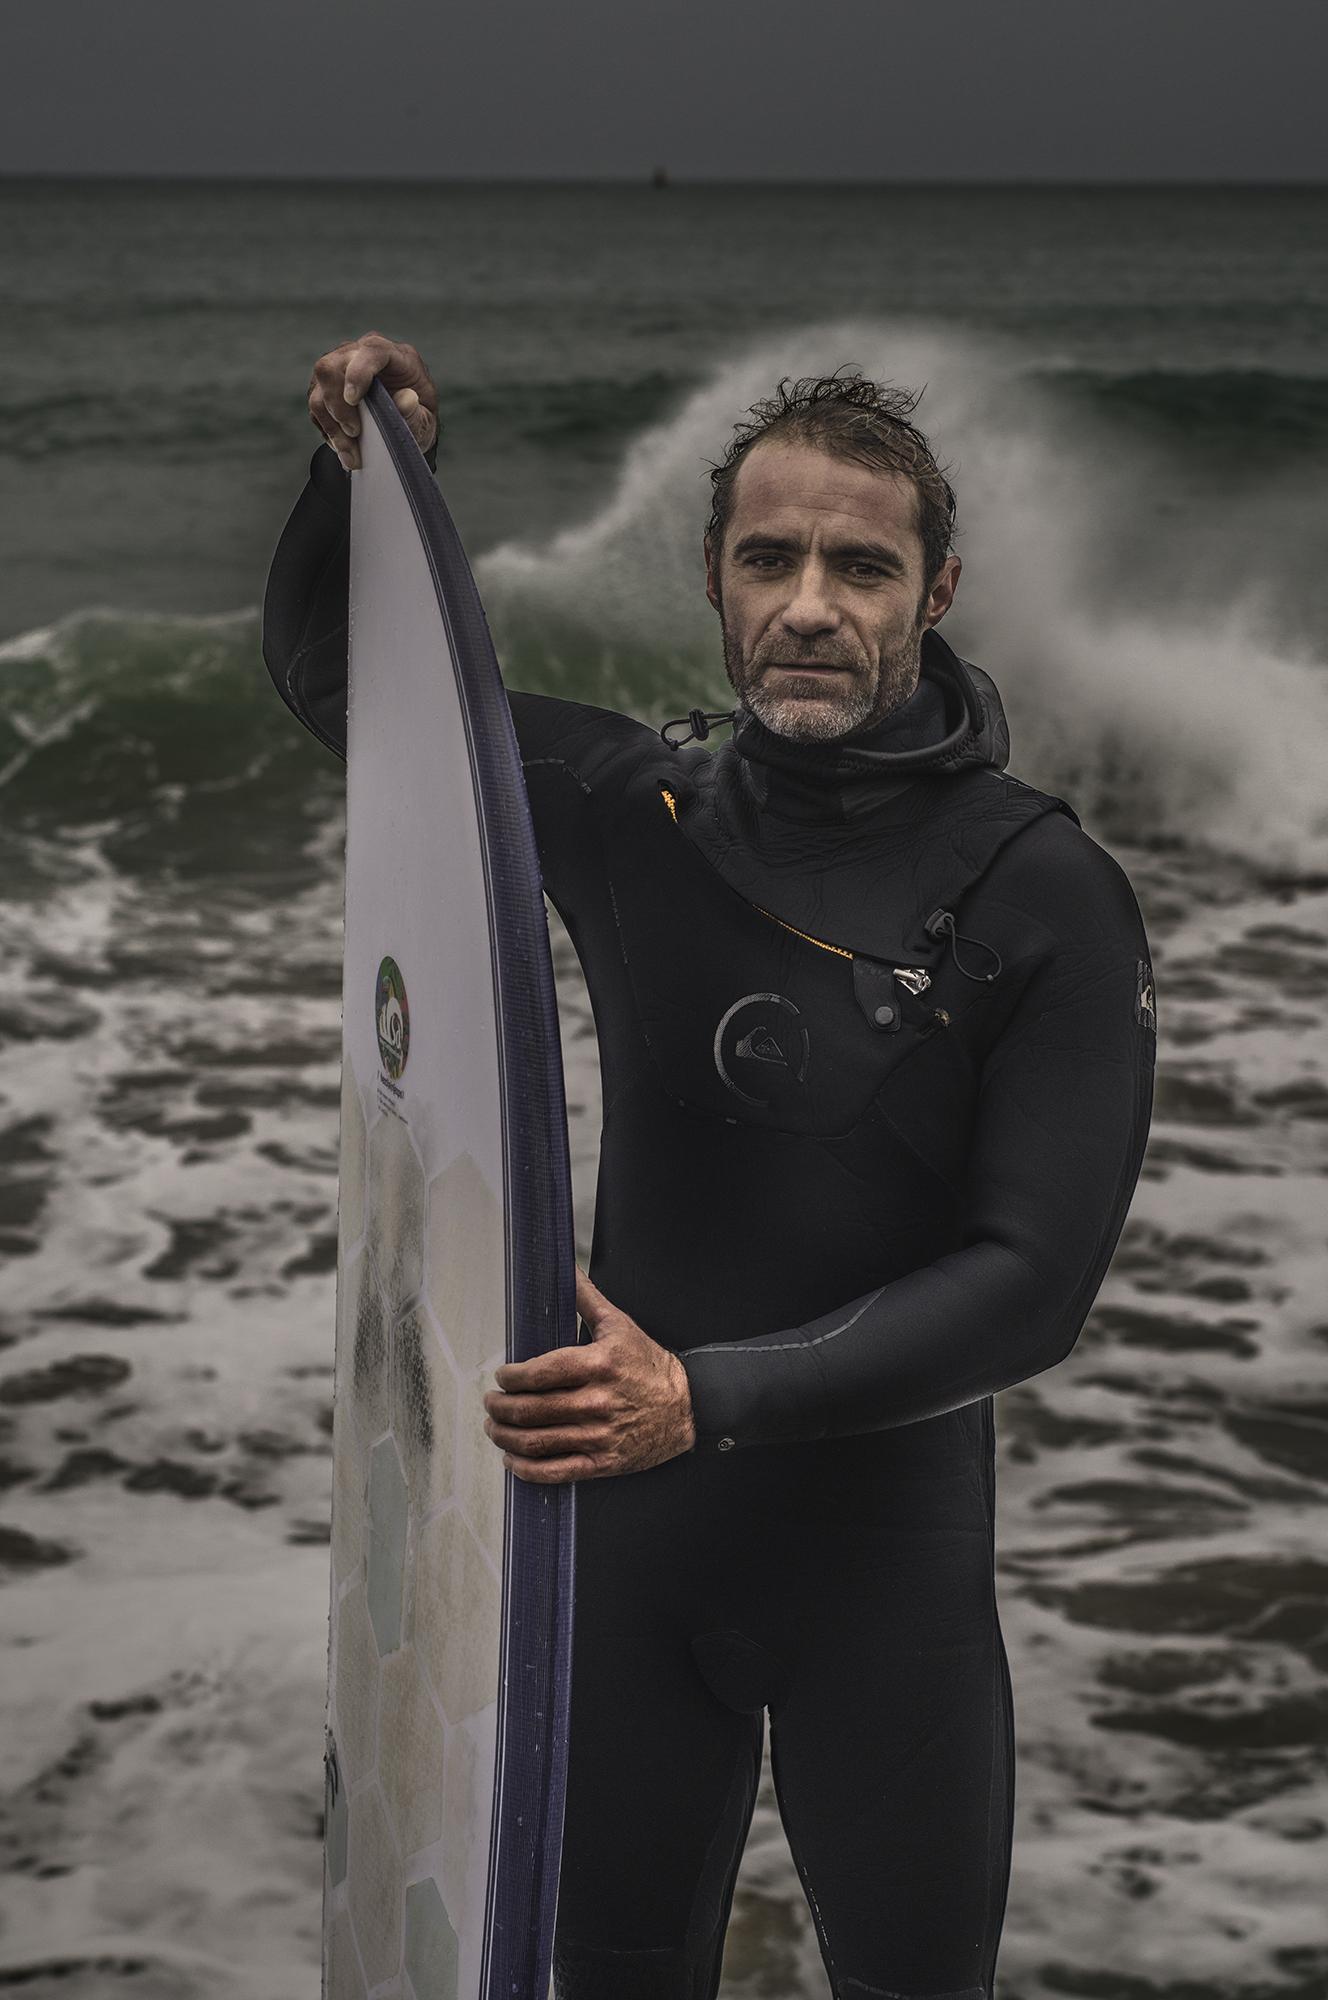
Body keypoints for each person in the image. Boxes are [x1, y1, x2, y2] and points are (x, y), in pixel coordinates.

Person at [263, 332, 1158, 2000]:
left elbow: (1033, 1285)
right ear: (714, 580)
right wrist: (366, 480)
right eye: (772, 558)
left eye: (862, 565)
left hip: (879, 1583)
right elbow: (342, 686)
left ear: (936, 588)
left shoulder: (1046, 895)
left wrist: (703, 1394)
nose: (812, 602)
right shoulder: (632, 807)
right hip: (625, 1558)